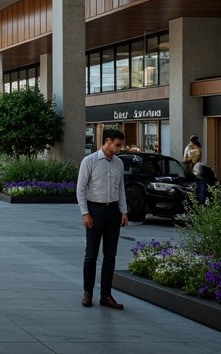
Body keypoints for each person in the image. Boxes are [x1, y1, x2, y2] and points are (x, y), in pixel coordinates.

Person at [77, 127, 129, 310]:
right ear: (107, 141)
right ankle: (88, 293)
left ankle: (106, 295)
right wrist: (85, 213)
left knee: (110, 255)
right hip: (95, 210)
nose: (119, 148)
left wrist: (123, 211)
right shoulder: (89, 161)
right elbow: (81, 188)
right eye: (117, 144)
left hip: (113, 211)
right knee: (91, 254)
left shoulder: (119, 164)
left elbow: (120, 188)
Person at [184, 136, 208, 203]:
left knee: (199, 186)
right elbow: (185, 159)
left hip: (197, 170)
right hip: (193, 171)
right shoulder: (188, 148)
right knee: (197, 186)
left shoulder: (197, 146)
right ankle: (198, 201)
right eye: (193, 140)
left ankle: (199, 201)